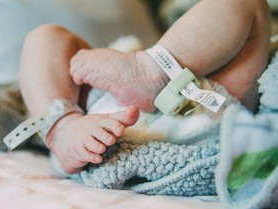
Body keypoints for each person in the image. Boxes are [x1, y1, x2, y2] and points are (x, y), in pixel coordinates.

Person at [18, 0, 271, 174]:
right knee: (47, 37)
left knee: (45, 37)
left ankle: (147, 72)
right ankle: (63, 126)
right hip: (204, 109)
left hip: (202, 104)